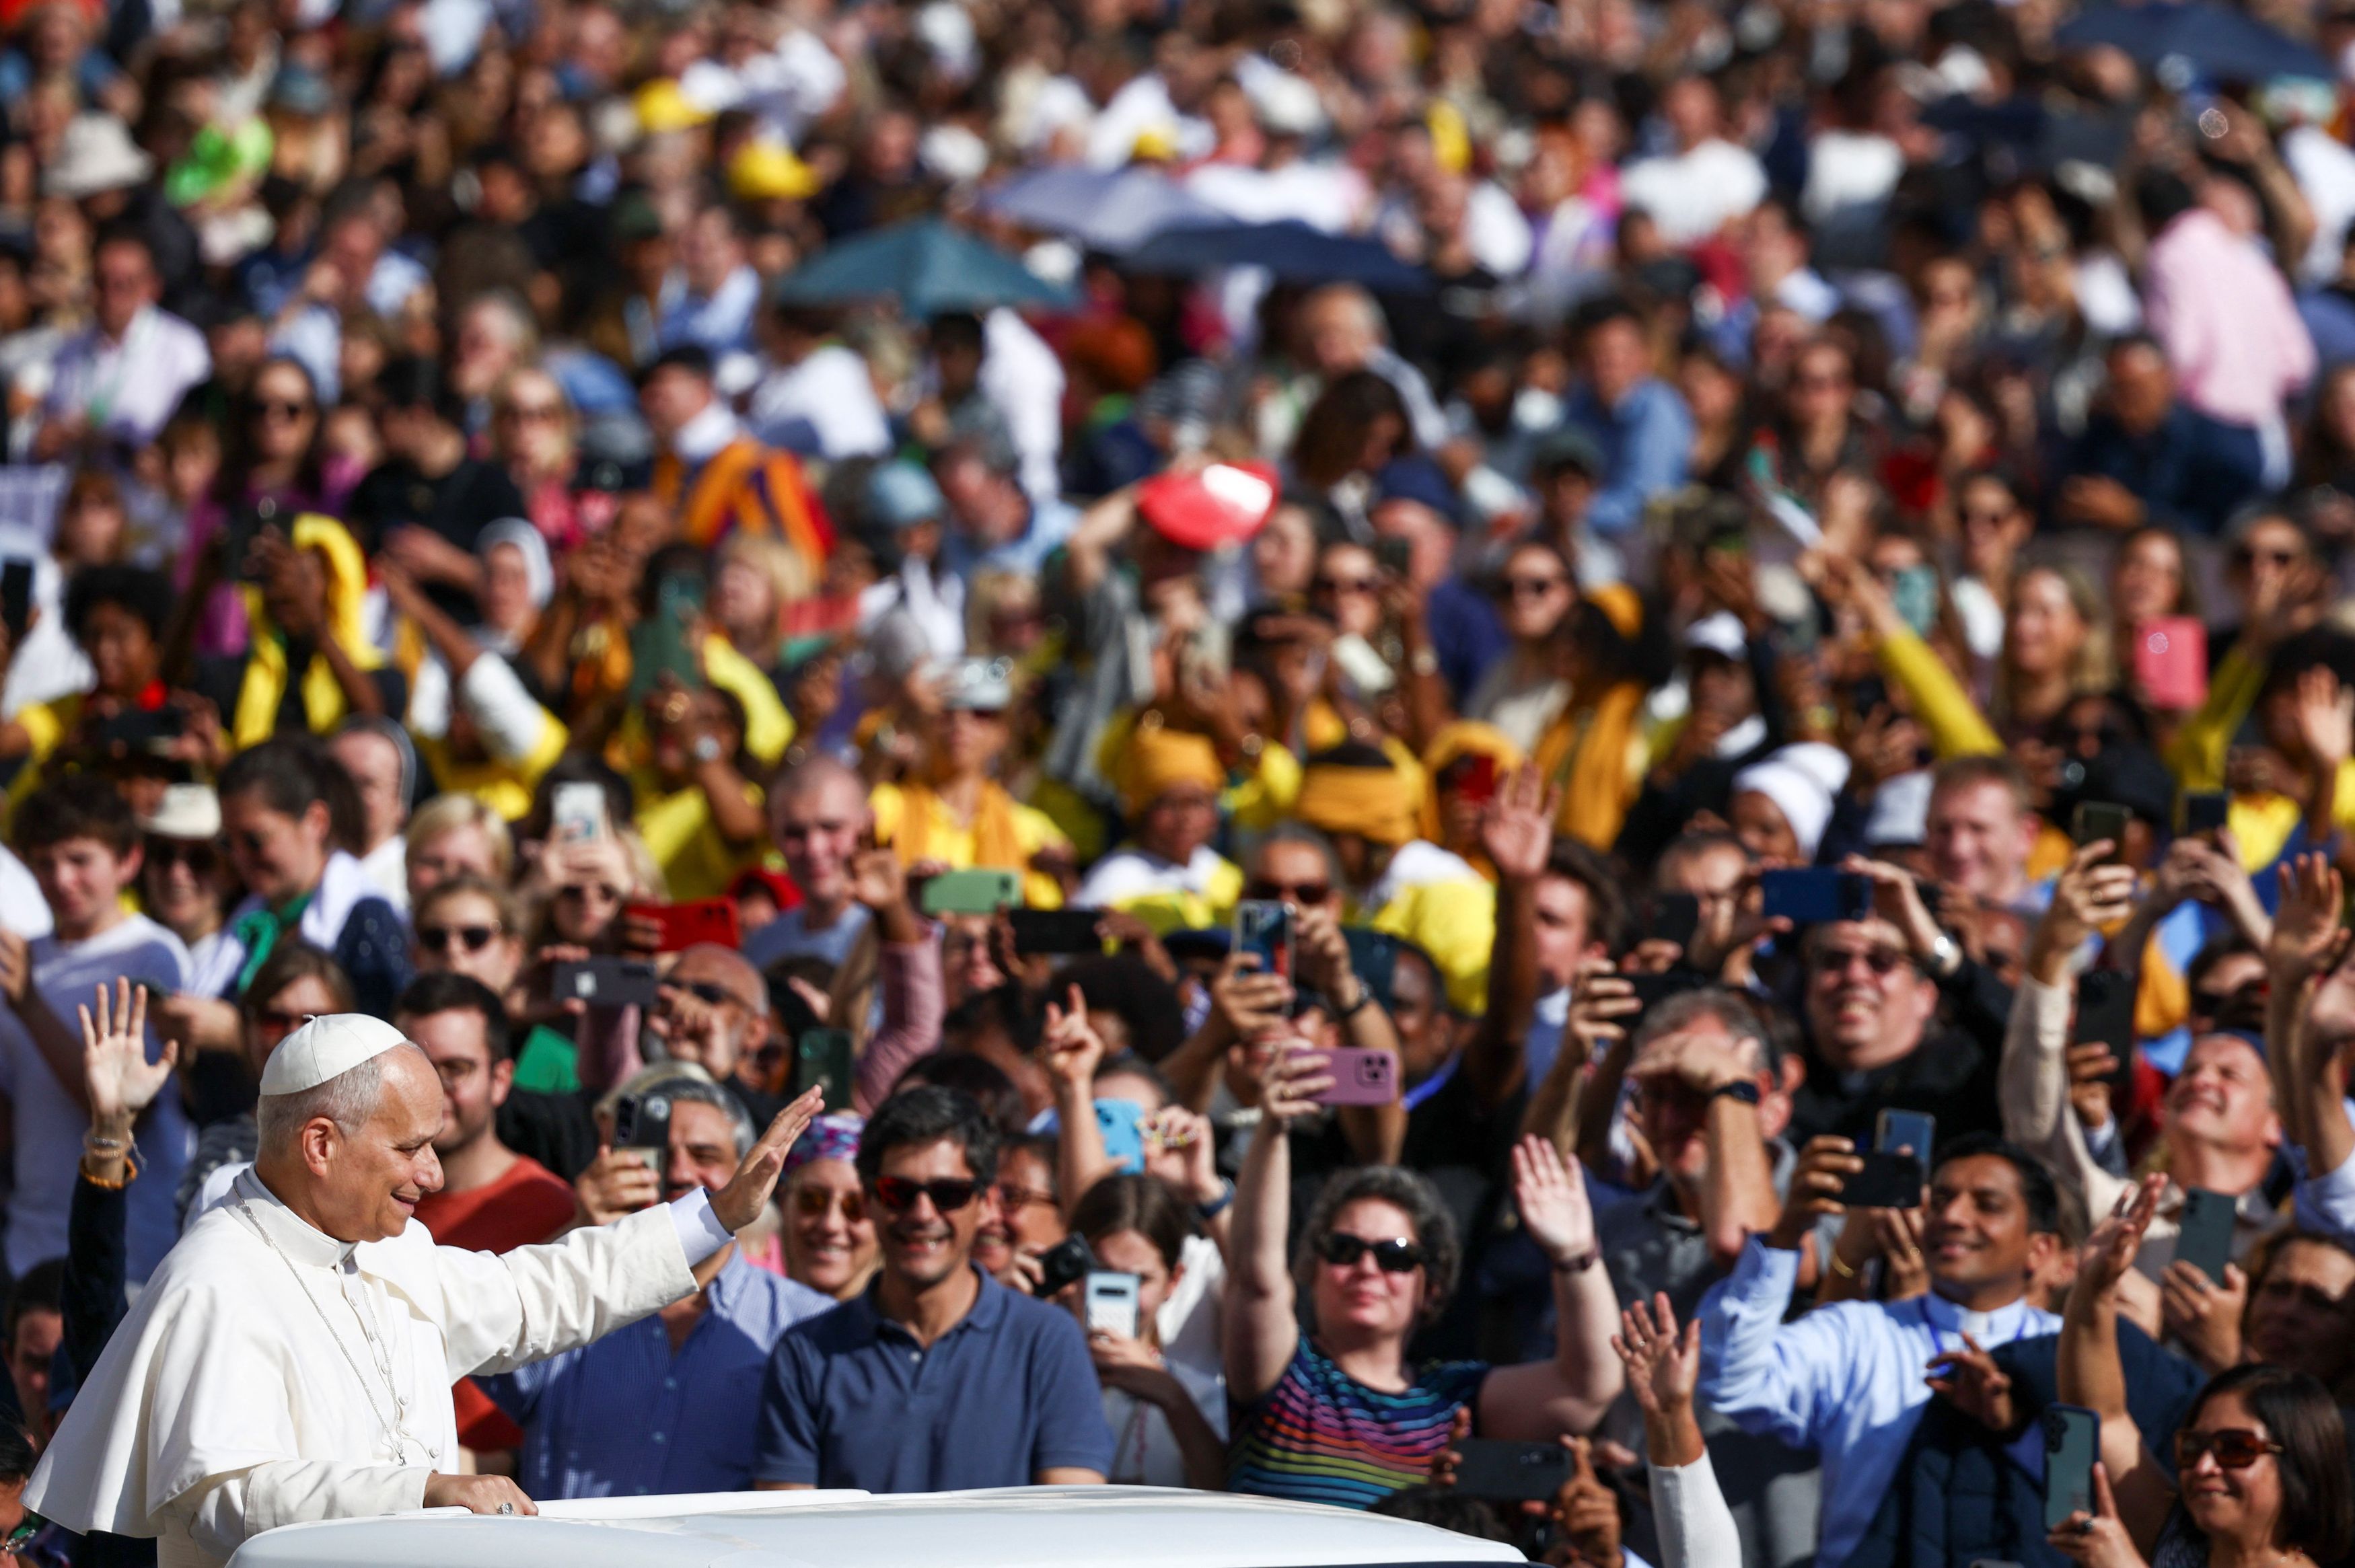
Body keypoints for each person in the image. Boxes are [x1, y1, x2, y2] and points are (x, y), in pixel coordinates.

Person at [26, 1005, 825, 1565]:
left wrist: (712, 1218)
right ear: (320, 1144)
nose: (434, 1176)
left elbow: (535, 1294)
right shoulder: (216, 1279)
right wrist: (425, 1493)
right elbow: (225, 1498)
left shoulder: (388, 1247)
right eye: (410, 1148)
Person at [1225, 1041, 1623, 1509]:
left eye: (1395, 1255)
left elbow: (1588, 1386)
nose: (1366, 1268)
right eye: (1344, 1248)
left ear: (1431, 1287)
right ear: (1312, 1268)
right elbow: (1256, 1277)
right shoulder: (1286, 1376)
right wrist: (1273, 1130)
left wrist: (1576, 1255)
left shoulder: (1453, 1399)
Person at [1696, 1134, 2067, 1568]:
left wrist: (2014, 1429)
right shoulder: (1862, 1332)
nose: (1953, 1216)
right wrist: (1787, 1234)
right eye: (1941, 1199)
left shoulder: (2071, 1353)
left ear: (2041, 1249)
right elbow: (1731, 1383)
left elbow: (2088, 1498)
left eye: (1987, 1205)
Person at [484, 1069, 834, 1497]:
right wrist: (580, 1231)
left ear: (747, 1170)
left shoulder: (806, 1325)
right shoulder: (577, 1295)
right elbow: (484, 1334)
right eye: (662, 1156)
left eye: (704, 1154)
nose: (682, 1172)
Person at [751, 1085, 1114, 1491]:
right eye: (898, 1193)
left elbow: (1068, 1524)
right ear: (869, 1199)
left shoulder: (1047, 1342)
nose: (923, 1214)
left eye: (948, 1194)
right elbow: (789, 1533)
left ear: (984, 1202)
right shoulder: (806, 1354)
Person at [0, 782, 190, 1281]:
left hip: (129, 1241)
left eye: (80, 859)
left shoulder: (153, 954)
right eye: (44, 863)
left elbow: (128, 1110)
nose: (62, 879)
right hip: (30, 1239)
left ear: (127, 860)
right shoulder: (22, 960)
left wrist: (29, 1006)